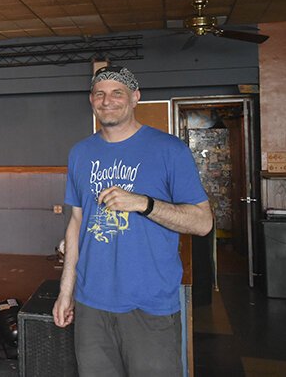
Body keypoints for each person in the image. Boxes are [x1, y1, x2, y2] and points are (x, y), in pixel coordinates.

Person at [52, 66, 212, 376]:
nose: (107, 100)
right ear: (91, 100)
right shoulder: (80, 153)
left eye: (117, 93)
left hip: (149, 304)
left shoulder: (169, 150)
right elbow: (76, 224)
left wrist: (144, 203)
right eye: (100, 94)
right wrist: (66, 290)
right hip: (91, 303)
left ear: (135, 98)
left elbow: (203, 222)